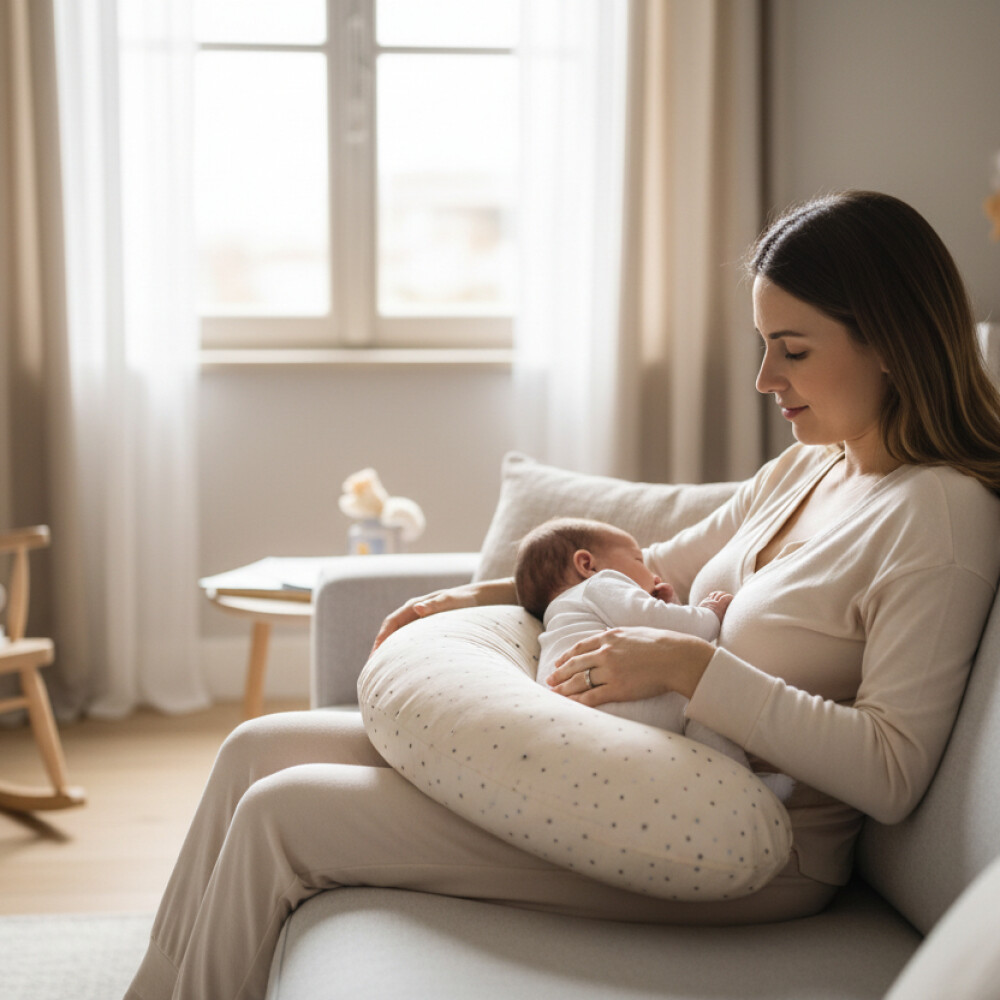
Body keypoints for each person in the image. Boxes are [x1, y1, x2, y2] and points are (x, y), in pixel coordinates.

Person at [124, 192, 1000, 1000]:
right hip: (636, 762)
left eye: (794, 349)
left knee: (286, 818)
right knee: (257, 747)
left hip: (743, 851)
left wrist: (694, 667)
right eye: (763, 343)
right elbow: (655, 564)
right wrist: (478, 593)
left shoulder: (942, 518)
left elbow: (891, 772)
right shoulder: (813, 466)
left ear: (888, 339)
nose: (766, 378)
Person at [515, 516, 746, 767]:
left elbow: (655, 633)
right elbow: (673, 633)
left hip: (572, 718)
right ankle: (744, 778)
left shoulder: (559, 617)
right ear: (587, 564)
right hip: (614, 701)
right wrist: (709, 613)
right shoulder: (600, 583)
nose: (652, 573)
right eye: (639, 560)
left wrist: (667, 606)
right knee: (699, 697)